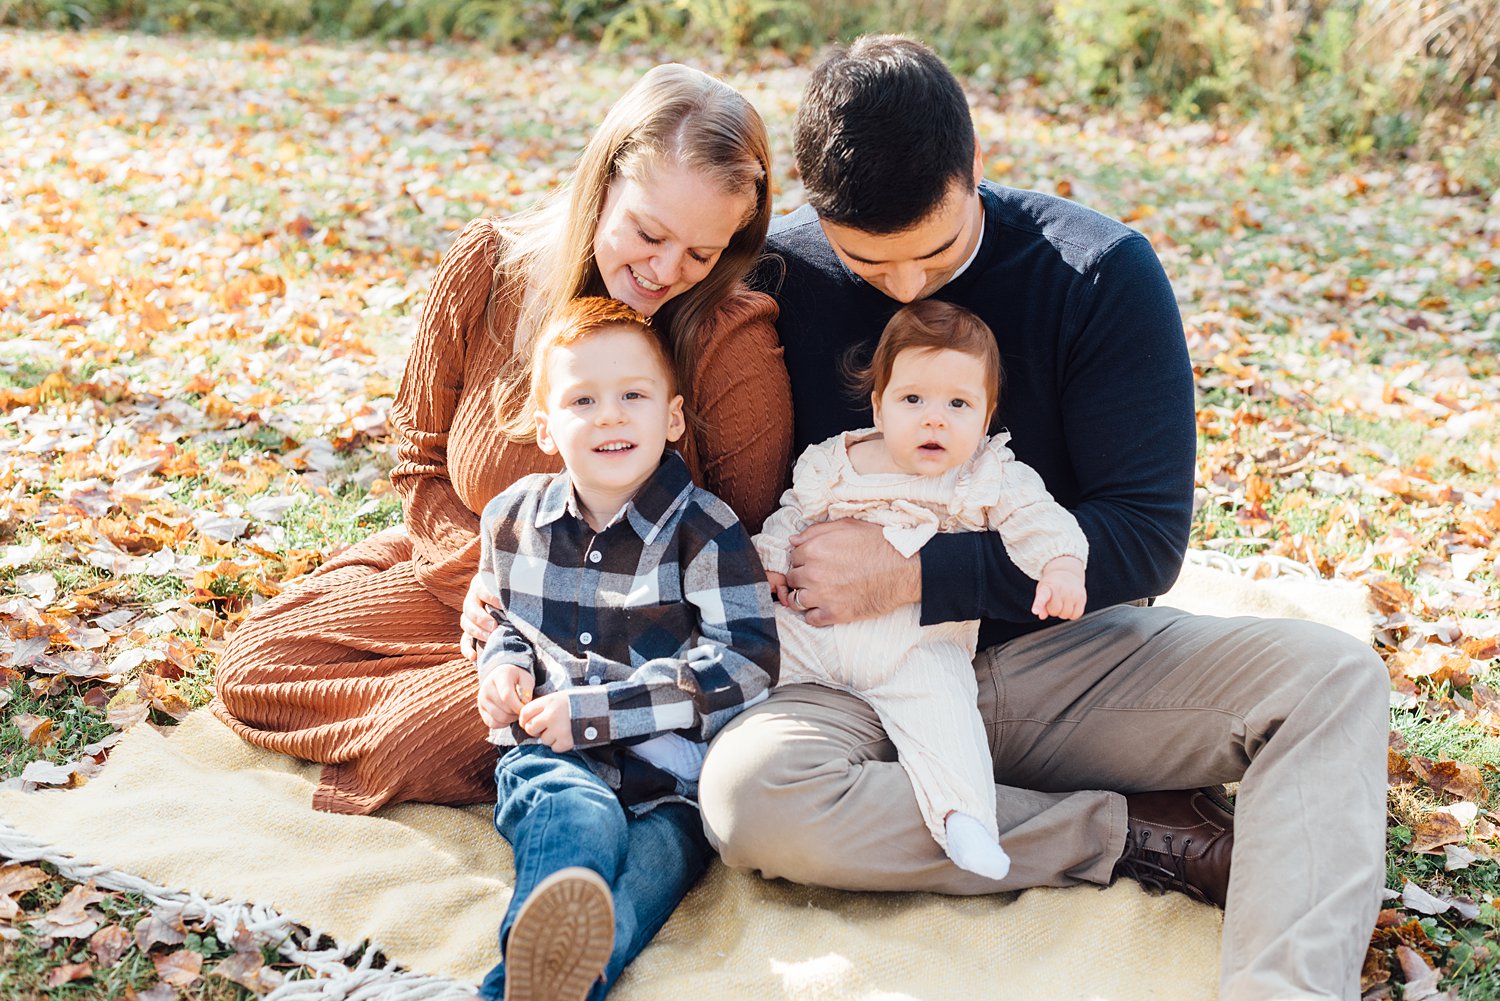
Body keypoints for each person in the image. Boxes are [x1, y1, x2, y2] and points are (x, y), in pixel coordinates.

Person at [695, 36, 1388, 1001]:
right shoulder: (781, 276)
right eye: (868, 264)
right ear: (816, 207)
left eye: (932, 252)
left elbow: (1146, 534)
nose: (907, 289)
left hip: (1053, 657)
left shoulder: (1098, 272)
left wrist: (917, 573)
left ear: (976, 168)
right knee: (749, 804)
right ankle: (1124, 830)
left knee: (1334, 679)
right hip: (845, 666)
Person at [210, 62, 792, 817]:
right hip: (471, 579)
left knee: (412, 741)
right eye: (648, 233)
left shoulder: (730, 339)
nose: (664, 270)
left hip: (632, 645)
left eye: (701, 255)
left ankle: (557, 742)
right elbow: (418, 455)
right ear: (603, 181)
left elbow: (747, 535)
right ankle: (494, 712)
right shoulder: (487, 268)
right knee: (255, 663)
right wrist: (484, 594)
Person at [473, 296, 776, 1001]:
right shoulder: (514, 519)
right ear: (546, 427)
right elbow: (507, 623)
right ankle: (543, 938)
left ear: (671, 416)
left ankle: (542, 981)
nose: (609, 414)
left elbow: (748, 661)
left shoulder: (706, 529)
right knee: (572, 820)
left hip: (674, 784)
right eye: (583, 399)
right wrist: (505, 667)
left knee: (646, 876)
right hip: (553, 754)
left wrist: (602, 708)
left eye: (632, 395)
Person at [756, 299, 1086, 881]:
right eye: (913, 400)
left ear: (985, 419)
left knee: (946, 717)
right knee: (743, 649)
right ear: (879, 405)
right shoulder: (837, 462)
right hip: (810, 633)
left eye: (958, 404)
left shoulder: (989, 474)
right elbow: (791, 518)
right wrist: (770, 564)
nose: (935, 419)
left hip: (915, 647)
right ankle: (684, 737)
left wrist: (1060, 567)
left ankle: (965, 819)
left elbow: (1042, 521)